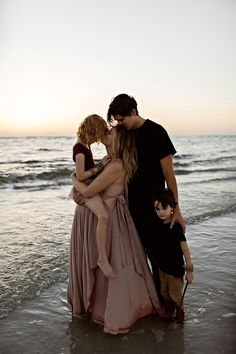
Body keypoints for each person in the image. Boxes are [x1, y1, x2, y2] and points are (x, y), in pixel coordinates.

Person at [67, 125, 165, 335]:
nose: (105, 132)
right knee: (117, 263)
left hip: (106, 217)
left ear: (119, 140)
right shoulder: (110, 161)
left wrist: (74, 179)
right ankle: (94, 306)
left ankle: (110, 310)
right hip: (98, 215)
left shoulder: (117, 165)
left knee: (114, 264)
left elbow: (89, 190)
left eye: (111, 132)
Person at [107, 93, 185, 295]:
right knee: (137, 256)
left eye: (122, 119)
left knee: (160, 255)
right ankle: (149, 300)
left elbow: (169, 174)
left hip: (156, 206)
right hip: (130, 205)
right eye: (117, 120)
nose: (120, 124)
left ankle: (167, 302)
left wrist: (175, 209)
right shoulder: (123, 134)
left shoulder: (157, 132)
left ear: (133, 112)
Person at [69, 114, 116, 278]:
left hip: (89, 185)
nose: (98, 138)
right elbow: (81, 176)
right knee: (103, 216)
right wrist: (100, 166)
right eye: (97, 134)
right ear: (91, 130)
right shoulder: (80, 149)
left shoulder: (85, 145)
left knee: (103, 215)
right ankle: (102, 259)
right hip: (84, 188)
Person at [152, 188, 193, 324]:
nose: (161, 212)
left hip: (175, 271)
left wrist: (189, 271)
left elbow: (185, 250)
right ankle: (170, 316)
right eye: (157, 209)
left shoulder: (176, 228)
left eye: (164, 208)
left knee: (175, 296)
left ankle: (180, 319)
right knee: (164, 294)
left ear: (172, 208)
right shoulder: (156, 226)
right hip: (162, 269)